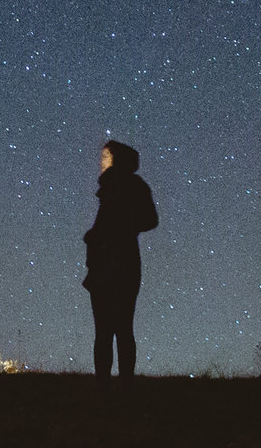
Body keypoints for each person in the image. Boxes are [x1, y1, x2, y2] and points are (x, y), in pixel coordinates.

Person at [82, 138, 158, 377]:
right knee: (111, 330)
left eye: (106, 156)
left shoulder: (128, 186)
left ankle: (115, 386)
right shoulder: (119, 187)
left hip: (118, 264)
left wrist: (118, 229)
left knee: (115, 329)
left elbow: (150, 220)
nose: (101, 161)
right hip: (112, 264)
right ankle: (115, 385)